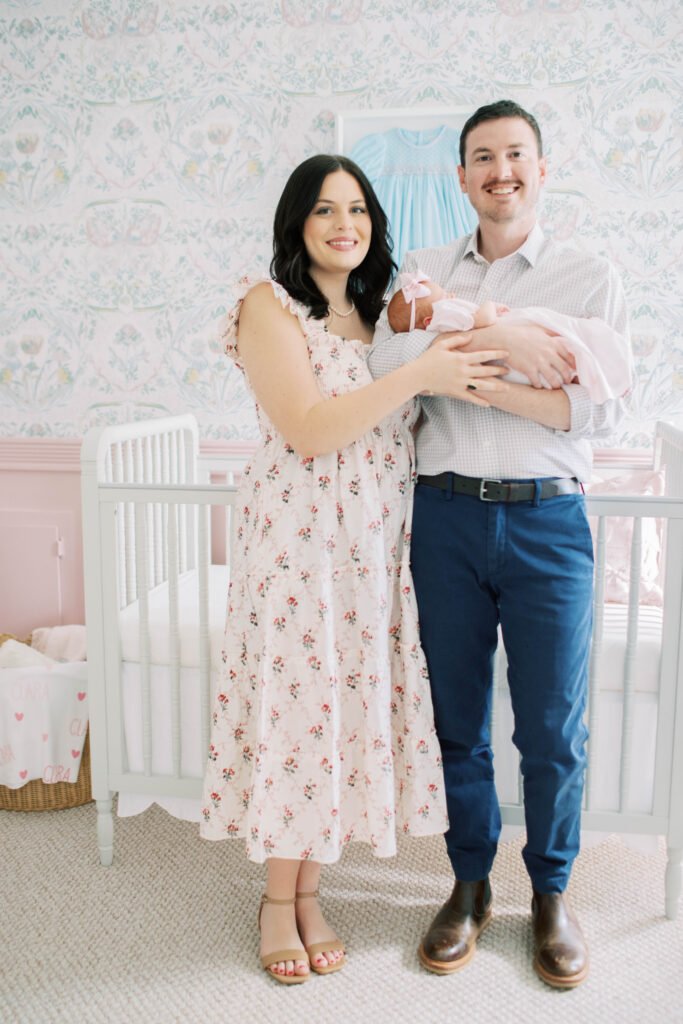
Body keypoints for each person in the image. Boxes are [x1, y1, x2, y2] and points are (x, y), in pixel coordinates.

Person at [199, 154, 510, 985]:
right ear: (297, 224)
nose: (346, 225)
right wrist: (416, 373)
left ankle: (309, 892)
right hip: (297, 546)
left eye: (359, 210)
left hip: (371, 553)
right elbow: (307, 426)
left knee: (334, 716)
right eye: (326, 210)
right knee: (298, 707)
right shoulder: (269, 306)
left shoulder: (383, 315)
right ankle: (275, 900)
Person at [368, 100, 633, 989]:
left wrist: (471, 351)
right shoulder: (422, 271)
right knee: (459, 724)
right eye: (482, 157)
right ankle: (470, 884)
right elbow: (384, 370)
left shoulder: (586, 275)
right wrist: (509, 337)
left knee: (554, 730)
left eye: (515, 154)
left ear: (541, 167)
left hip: (548, 521)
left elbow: (593, 407)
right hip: (442, 519)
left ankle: (551, 895)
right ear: (460, 176)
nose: (499, 171)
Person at [387, 271, 633, 403]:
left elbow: (605, 418)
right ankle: (592, 361)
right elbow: (481, 321)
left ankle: (588, 364)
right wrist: (491, 311)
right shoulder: (444, 315)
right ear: (429, 322)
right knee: (552, 334)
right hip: (503, 329)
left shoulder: (596, 274)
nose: (451, 296)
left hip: (555, 490)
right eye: (445, 296)